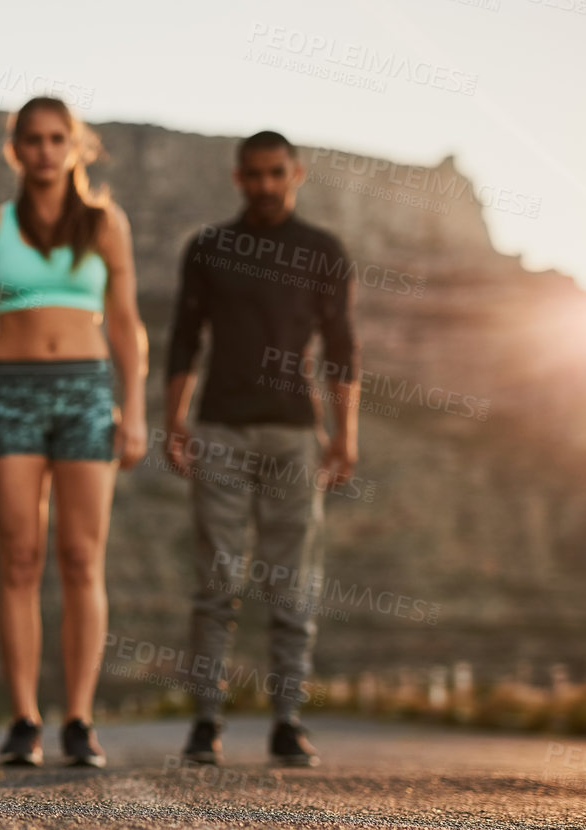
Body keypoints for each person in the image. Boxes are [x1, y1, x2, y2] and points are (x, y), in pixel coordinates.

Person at [0, 96, 147, 769]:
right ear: (14, 148)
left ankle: (79, 719)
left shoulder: (104, 223)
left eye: (55, 138)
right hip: (9, 395)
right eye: (30, 139)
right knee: (19, 555)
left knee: (81, 556)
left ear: (75, 146)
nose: (43, 149)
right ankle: (23, 718)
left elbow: (124, 323)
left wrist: (135, 409)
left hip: (87, 392)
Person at [165, 130, 360, 768]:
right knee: (217, 579)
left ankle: (287, 720)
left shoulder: (323, 251)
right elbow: (184, 338)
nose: (266, 185)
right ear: (237, 177)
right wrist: (175, 420)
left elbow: (342, 347)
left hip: (295, 434)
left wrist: (345, 434)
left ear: (296, 173)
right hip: (219, 427)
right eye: (254, 174)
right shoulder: (209, 248)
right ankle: (205, 722)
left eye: (277, 173)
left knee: (291, 582)